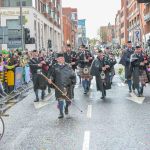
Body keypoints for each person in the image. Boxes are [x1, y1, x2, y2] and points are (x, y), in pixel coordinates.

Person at [48, 53, 76, 119]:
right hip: (59, 85)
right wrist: (50, 79)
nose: (62, 59)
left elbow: (73, 74)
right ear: (57, 59)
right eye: (60, 58)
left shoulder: (68, 66)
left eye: (63, 58)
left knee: (68, 101)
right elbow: (52, 75)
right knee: (60, 100)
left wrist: (73, 82)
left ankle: (66, 107)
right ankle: (61, 113)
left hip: (68, 86)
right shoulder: (54, 66)